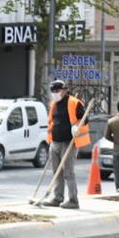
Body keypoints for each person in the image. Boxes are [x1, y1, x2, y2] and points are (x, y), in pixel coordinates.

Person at [44, 79, 91, 209]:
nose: (54, 93)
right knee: (56, 172)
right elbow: (52, 122)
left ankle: (73, 200)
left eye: (57, 91)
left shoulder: (74, 103)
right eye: (52, 91)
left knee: (68, 172)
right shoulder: (54, 104)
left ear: (64, 90)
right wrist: (50, 140)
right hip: (55, 142)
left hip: (68, 142)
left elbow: (85, 118)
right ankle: (57, 197)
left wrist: (76, 127)